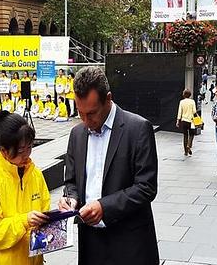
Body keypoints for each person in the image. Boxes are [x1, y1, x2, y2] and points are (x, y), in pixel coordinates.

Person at [58, 68, 160, 264]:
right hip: (90, 243)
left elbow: (146, 187)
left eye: (91, 113)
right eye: (80, 113)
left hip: (130, 243)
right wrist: (71, 199)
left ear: (108, 99)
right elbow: (71, 182)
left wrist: (104, 207)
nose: (86, 121)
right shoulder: (77, 134)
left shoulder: (138, 129)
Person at [0, 110, 50, 264]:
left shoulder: (35, 174)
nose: (26, 155)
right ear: (4, 150)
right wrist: (24, 221)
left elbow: (45, 213)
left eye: (29, 147)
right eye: (21, 150)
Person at [176, 89, 197, 156]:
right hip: (191, 121)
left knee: (185, 135)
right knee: (192, 134)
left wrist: (178, 121)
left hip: (184, 121)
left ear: (184, 95)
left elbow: (179, 112)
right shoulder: (192, 101)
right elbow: (194, 111)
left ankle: (186, 151)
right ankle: (189, 145)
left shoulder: (181, 102)